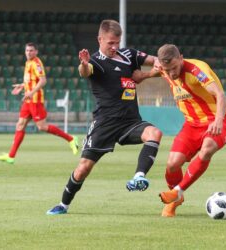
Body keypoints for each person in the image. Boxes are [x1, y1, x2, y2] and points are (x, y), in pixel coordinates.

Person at [46, 20, 162, 215]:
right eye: (110, 43)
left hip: (130, 122)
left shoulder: (129, 55)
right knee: (83, 168)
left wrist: (150, 71)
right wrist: (83, 64)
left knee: (154, 133)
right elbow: (85, 72)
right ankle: (63, 204)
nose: (114, 47)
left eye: (117, 42)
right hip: (105, 123)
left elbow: (157, 62)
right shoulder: (95, 61)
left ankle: (138, 177)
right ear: (100, 39)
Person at [135, 44, 226, 217]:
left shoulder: (197, 70)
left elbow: (220, 94)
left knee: (208, 147)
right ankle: (176, 198)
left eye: (174, 67)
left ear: (181, 58)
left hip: (217, 120)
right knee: (172, 164)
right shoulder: (165, 69)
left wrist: (218, 119)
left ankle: (177, 192)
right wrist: (145, 75)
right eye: (167, 69)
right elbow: (147, 70)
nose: (172, 73)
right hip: (191, 124)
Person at [0, 42, 78, 164]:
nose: (29, 52)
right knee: (20, 125)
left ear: (36, 52)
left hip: (35, 100)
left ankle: (71, 139)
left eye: (31, 50)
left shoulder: (37, 63)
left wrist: (31, 92)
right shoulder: (28, 62)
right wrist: (23, 86)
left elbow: (43, 80)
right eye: (27, 50)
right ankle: (11, 156)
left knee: (42, 127)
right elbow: (31, 80)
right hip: (28, 100)